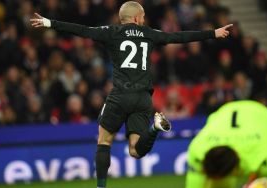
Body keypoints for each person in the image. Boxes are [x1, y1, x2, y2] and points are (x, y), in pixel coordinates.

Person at [30, 1, 232, 187]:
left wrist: (50, 22)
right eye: (142, 16)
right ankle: (154, 128)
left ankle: (101, 187)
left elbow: (81, 30)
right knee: (135, 151)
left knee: (103, 141)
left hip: (121, 95)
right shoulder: (149, 33)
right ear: (136, 18)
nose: (144, 20)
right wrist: (212, 33)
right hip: (143, 98)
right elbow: (178, 37)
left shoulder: (112, 32)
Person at [186, 100, 267, 188]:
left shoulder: (263, 155)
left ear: (234, 171)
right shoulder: (197, 150)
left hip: (263, 118)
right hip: (224, 113)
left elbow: (266, 183)